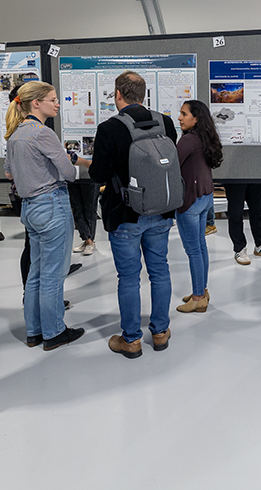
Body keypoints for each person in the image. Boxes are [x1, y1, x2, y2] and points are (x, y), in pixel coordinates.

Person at [89, 71, 177, 359]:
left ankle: (131, 340)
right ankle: (161, 332)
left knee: (128, 277)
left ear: (117, 95)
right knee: (160, 270)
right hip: (162, 211)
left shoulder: (109, 128)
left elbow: (98, 174)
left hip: (125, 213)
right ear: (144, 94)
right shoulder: (164, 122)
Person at [4, 81, 89, 352]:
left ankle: (34, 331)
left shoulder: (15, 133)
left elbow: (9, 172)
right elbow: (67, 172)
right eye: (52, 99)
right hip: (51, 205)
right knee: (53, 274)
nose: (57, 104)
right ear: (35, 103)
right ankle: (54, 332)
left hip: (29, 208)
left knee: (36, 273)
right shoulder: (42, 133)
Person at [175, 100, 223, 313]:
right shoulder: (205, 138)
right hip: (205, 198)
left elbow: (172, 165)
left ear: (196, 118)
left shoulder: (188, 141)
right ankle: (201, 290)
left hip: (191, 200)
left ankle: (197, 298)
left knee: (193, 250)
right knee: (201, 246)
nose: (179, 118)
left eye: (184, 114)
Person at [225, 182, 261, 265]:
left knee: (258, 212)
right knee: (236, 213)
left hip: (255, 176)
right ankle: (239, 248)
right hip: (235, 176)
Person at [69, 182, 100, 256]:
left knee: (89, 209)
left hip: (90, 177)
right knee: (76, 208)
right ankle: (86, 238)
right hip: (73, 177)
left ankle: (89, 240)